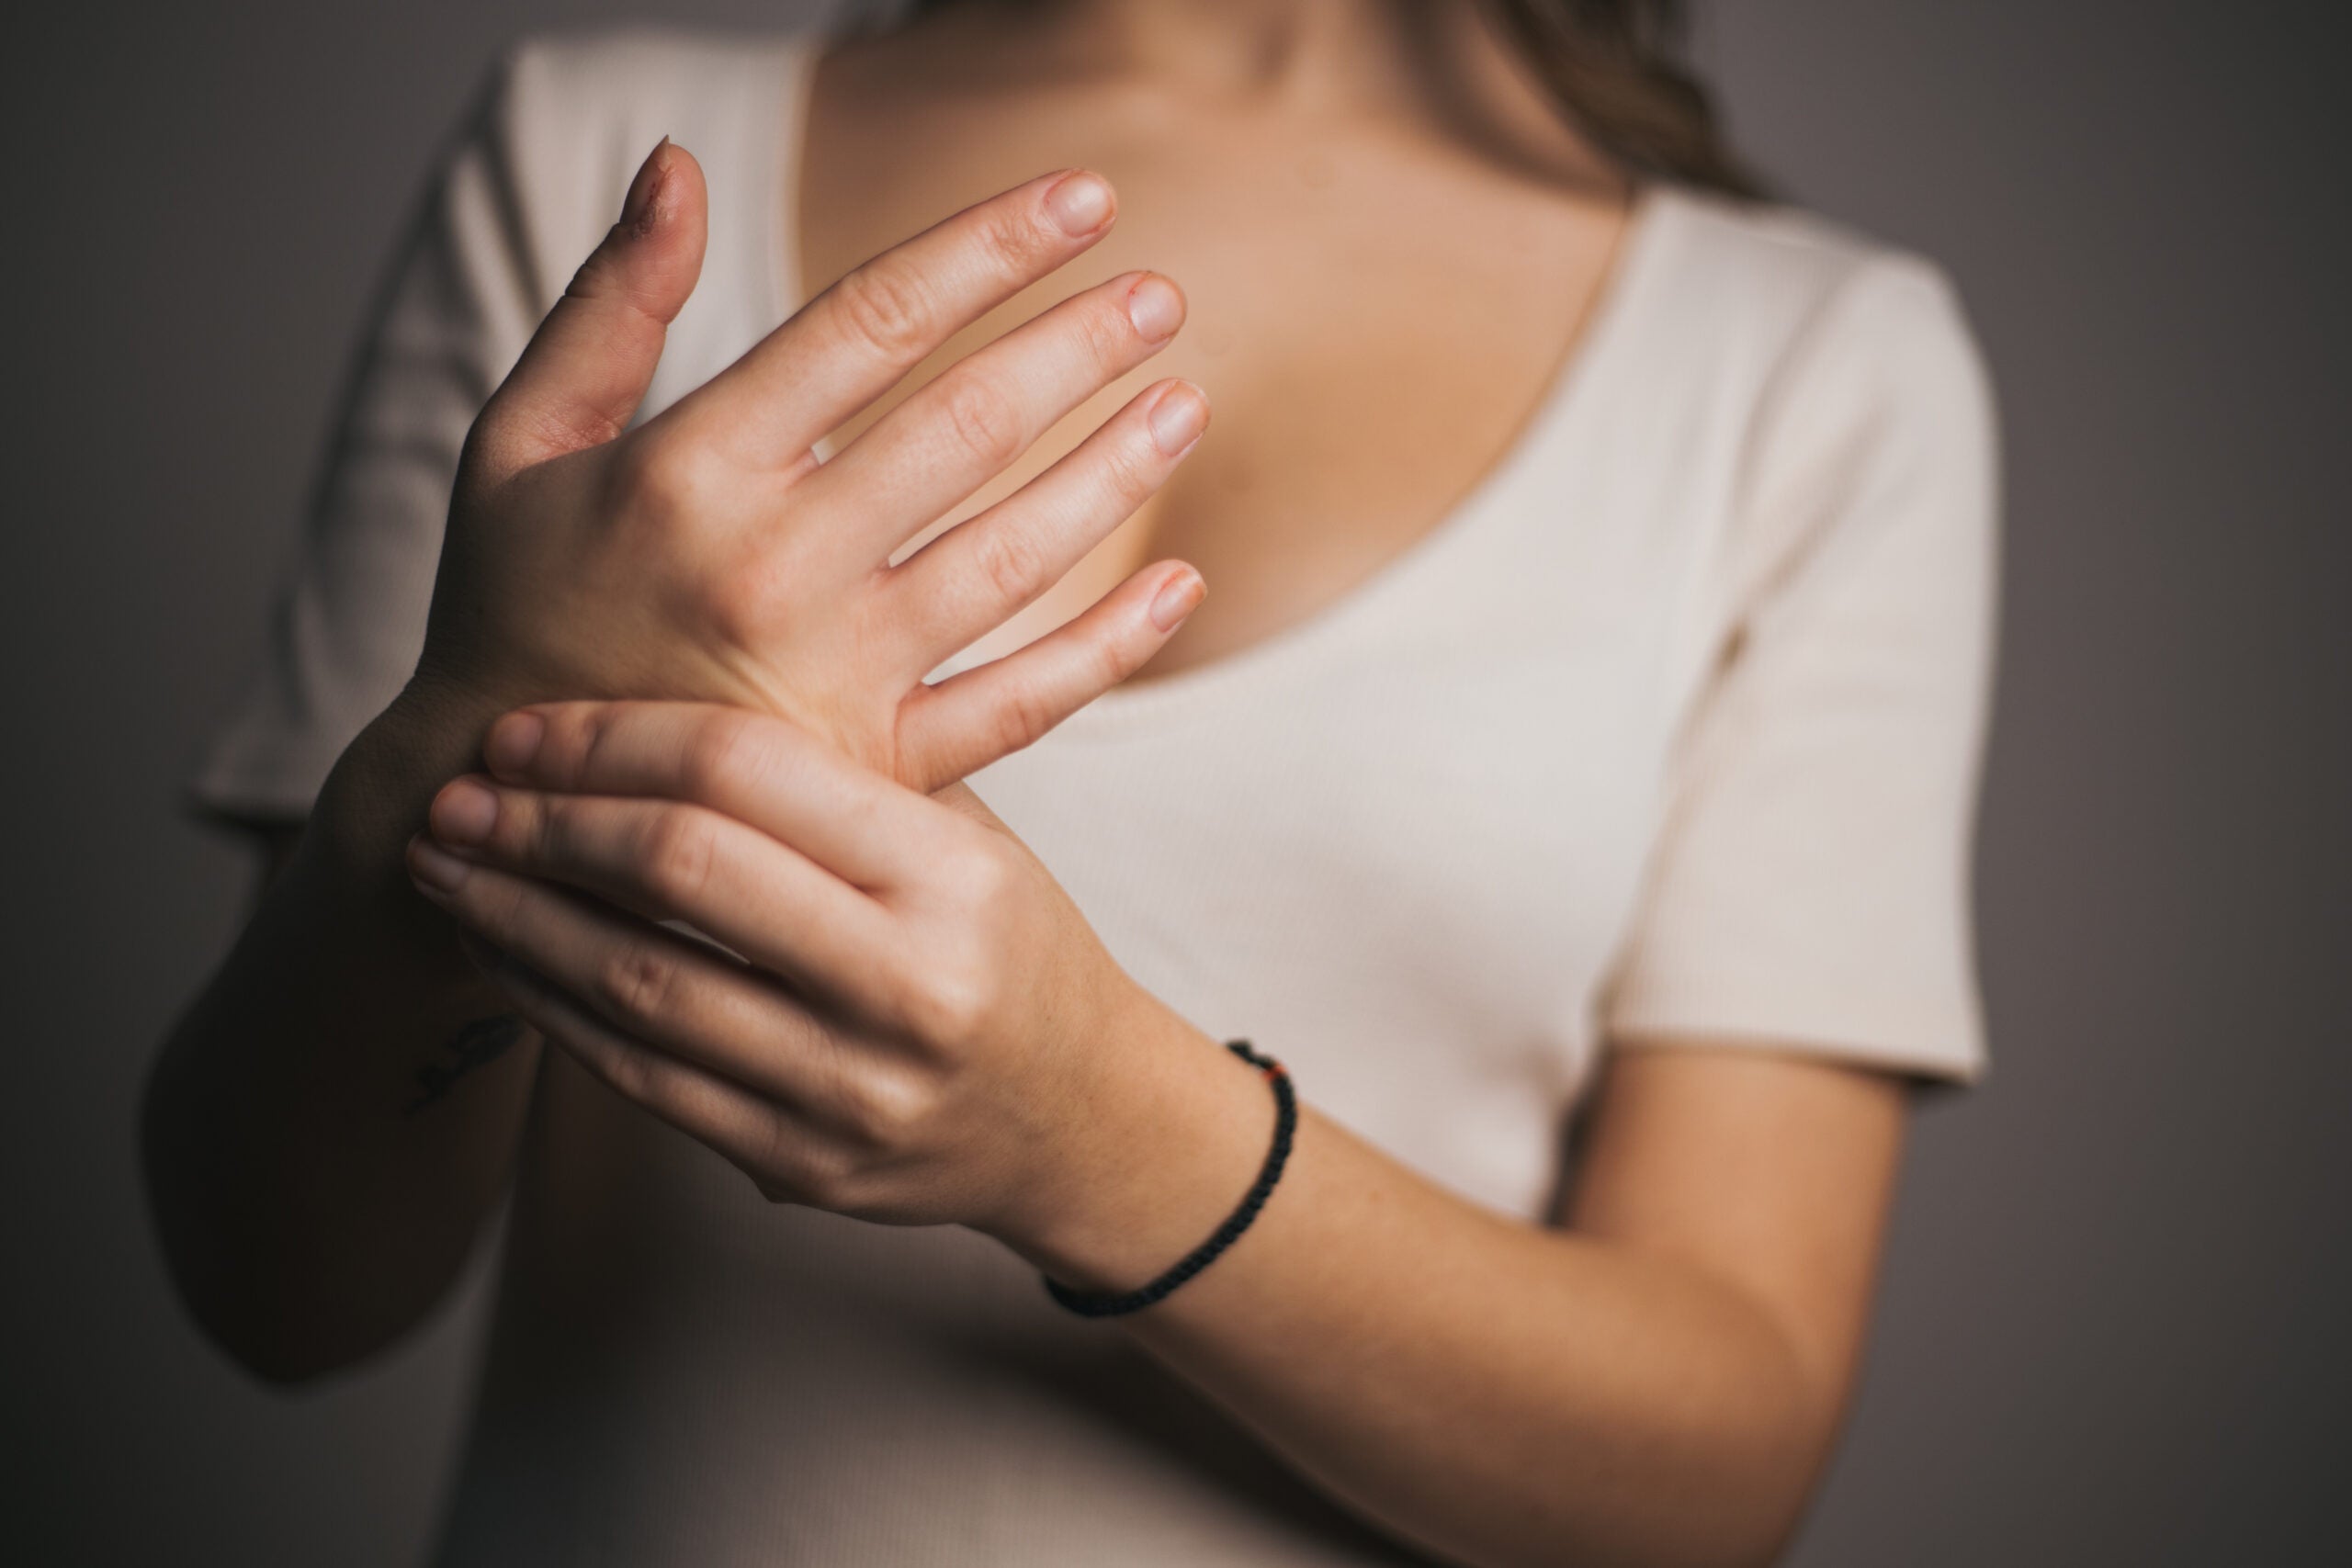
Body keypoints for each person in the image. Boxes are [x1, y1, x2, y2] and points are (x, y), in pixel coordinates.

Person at [139, 0, 2001, 1562]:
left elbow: (1714, 1457)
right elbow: (278, 1291)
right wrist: (454, 779)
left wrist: (1096, 1127)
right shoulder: (609, 167)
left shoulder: (1808, 372)